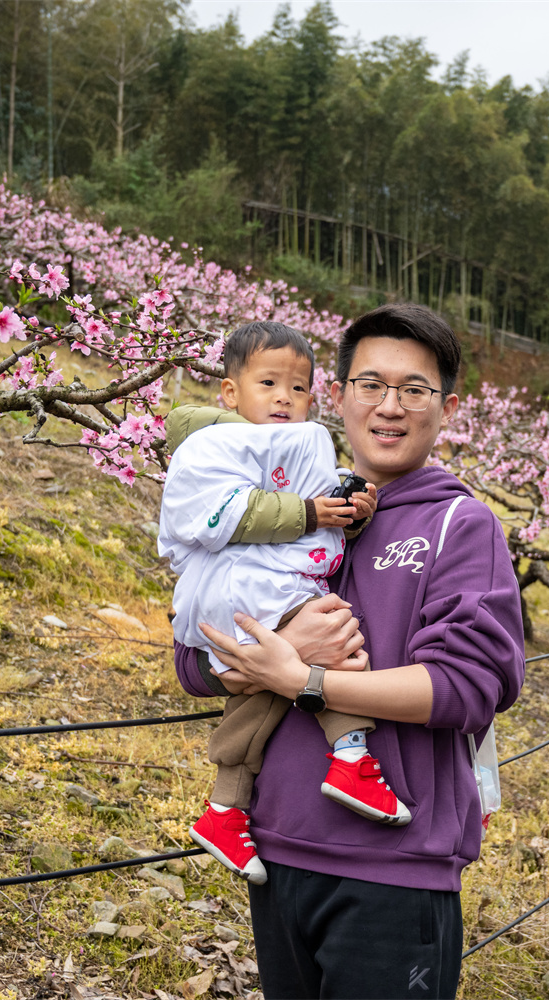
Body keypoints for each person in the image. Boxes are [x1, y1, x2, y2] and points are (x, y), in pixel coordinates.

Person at [174, 303, 526, 999]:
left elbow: (465, 687)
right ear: (336, 397)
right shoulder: (283, 507)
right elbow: (192, 663)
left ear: (447, 407)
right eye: (370, 385)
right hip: (276, 852)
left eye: (414, 390)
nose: (390, 407)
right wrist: (263, 652)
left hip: (395, 870)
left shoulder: (461, 524)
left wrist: (304, 679)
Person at [158, 321, 396, 888]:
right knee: (335, 637)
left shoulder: (297, 444)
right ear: (230, 392)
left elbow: (313, 524)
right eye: (268, 383)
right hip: (240, 589)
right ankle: (352, 755)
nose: (285, 398)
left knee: (273, 679)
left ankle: (224, 809)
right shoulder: (215, 443)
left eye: (298, 387)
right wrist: (313, 513)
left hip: (259, 588)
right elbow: (228, 512)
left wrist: (346, 511)